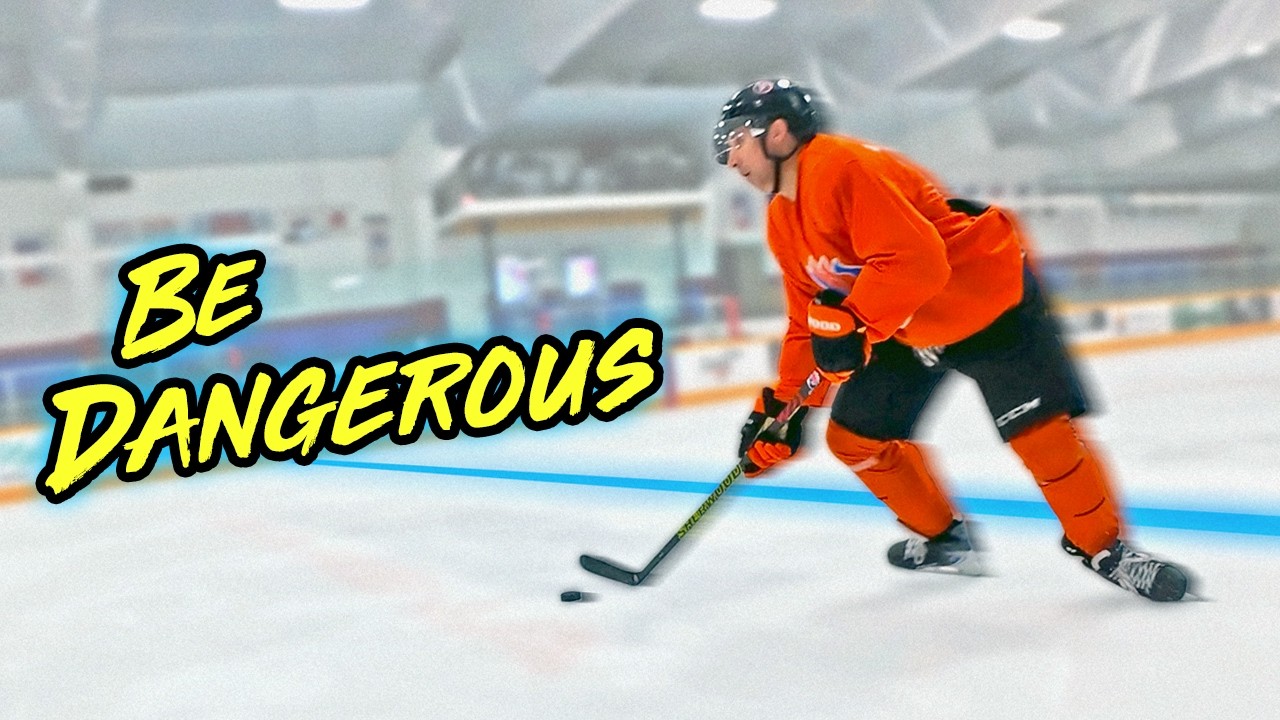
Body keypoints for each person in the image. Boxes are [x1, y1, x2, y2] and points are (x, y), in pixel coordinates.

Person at [715, 78, 1192, 602]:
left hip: (985, 303)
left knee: (1042, 437)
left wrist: (854, 327)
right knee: (855, 438)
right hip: (907, 323)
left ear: (778, 133)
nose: (729, 157)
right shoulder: (782, 218)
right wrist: (785, 410)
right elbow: (806, 320)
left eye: (737, 139)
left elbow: (918, 261)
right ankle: (948, 541)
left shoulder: (840, 166)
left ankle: (1107, 549)